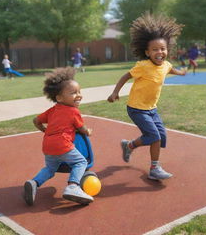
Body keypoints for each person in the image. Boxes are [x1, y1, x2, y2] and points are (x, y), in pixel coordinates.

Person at [107, 13, 186, 180]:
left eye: (162, 49)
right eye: (155, 49)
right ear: (147, 52)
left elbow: (170, 69)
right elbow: (126, 76)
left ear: (167, 50)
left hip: (152, 109)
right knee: (154, 136)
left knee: (161, 136)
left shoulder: (166, 65)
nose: (160, 52)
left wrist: (181, 72)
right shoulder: (143, 66)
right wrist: (115, 92)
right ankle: (154, 168)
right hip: (136, 108)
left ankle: (129, 146)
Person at [23, 67, 94, 206]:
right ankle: (73, 186)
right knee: (81, 163)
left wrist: (44, 130)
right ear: (59, 97)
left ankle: (34, 183)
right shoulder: (73, 111)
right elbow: (81, 128)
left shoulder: (52, 110)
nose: (78, 95)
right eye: (73, 93)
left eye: (79, 91)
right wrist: (88, 131)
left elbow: (36, 120)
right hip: (63, 145)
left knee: (50, 169)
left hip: (48, 146)